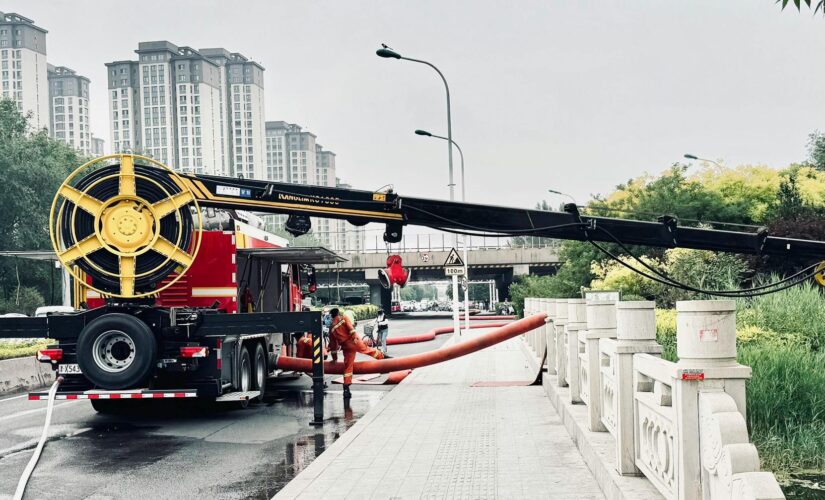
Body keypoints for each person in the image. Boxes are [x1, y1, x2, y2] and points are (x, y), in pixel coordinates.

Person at [328, 308, 386, 399]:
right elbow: (351, 329)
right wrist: (355, 338)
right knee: (367, 350)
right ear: (338, 313)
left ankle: (346, 387)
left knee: (348, 366)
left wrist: (334, 358)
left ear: (331, 316)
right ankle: (384, 358)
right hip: (353, 341)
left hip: (346, 347)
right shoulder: (343, 318)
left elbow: (333, 345)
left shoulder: (331, 328)